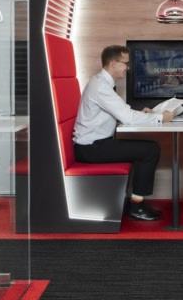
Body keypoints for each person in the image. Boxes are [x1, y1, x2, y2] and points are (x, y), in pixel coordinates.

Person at [73, 44, 173, 221]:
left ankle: (135, 202)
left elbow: (121, 112)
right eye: (125, 63)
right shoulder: (101, 86)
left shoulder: (102, 83)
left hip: (95, 145)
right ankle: (137, 206)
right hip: (91, 148)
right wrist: (160, 118)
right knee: (150, 150)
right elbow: (128, 117)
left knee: (147, 148)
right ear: (113, 64)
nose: (128, 68)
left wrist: (144, 114)